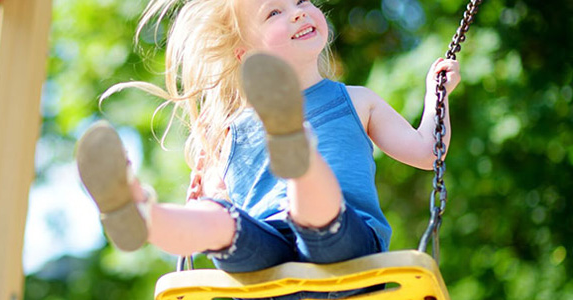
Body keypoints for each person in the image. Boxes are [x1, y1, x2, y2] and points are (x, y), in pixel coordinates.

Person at [76, 0, 460, 297]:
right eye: (274, 12)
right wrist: (201, 201)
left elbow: (427, 152)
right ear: (245, 53)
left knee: (313, 214)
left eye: (301, 1)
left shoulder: (356, 101)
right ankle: (142, 213)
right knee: (218, 219)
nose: (297, 13)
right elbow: (212, 210)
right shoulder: (230, 132)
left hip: (349, 256)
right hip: (268, 270)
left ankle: (297, 151)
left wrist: (436, 97)